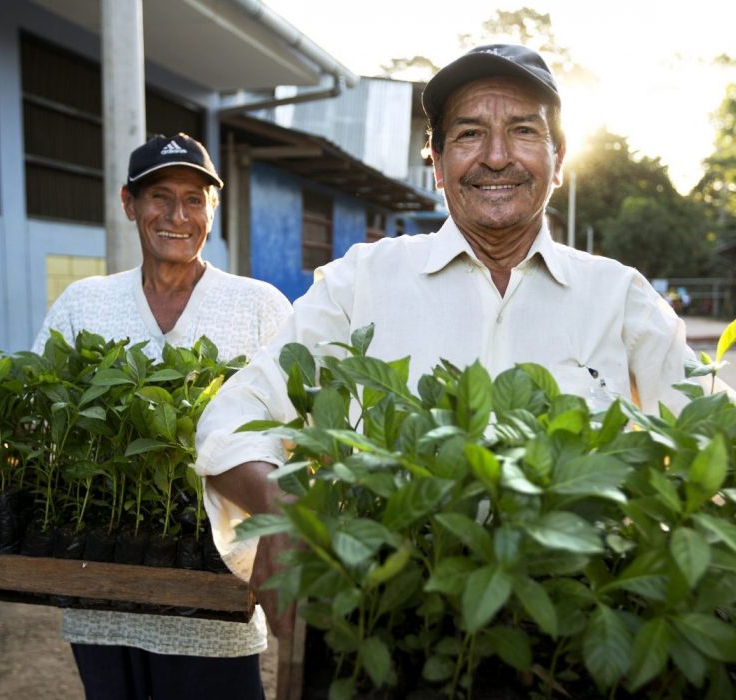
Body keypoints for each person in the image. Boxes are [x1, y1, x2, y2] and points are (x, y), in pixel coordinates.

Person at [194, 44, 706, 646]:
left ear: (559, 158)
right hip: (387, 627)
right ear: (436, 164)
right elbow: (233, 419)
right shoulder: (363, 281)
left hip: (570, 634)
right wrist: (281, 506)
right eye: (468, 134)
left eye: (522, 131)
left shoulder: (618, 296)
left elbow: (712, 440)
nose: (495, 157)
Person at [32, 133, 292, 699]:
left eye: (195, 199)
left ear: (211, 211)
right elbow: (41, 420)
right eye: (160, 197)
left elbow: (295, 433)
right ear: (129, 203)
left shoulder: (259, 306)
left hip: (217, 590)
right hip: (103, 588)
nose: (178, 215)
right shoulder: (84, 303)